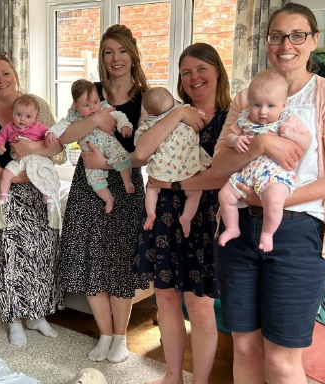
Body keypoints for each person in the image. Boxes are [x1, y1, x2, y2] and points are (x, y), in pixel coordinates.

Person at [184, 4, 325, 382]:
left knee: (281, 360)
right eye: (276, 35)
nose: (286, 44)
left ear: (313, 40)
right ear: (266, 42)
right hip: (237, 231)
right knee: (245, 347)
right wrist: (262, 143)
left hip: (299, 233)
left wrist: (273, 200)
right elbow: (218, 167)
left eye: (297, 35)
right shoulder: (248, 97)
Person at [124, 42, 227, 384]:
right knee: (166, 299)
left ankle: (199, 381)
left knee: (198, 306)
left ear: (216, 72)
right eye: (186, 72)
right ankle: (172, 375)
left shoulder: (231, 119)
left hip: (205, 217)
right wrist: (178, 115)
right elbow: (140, 152)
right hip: (164, 216)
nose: (194, 77)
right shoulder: (171, 112)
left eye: (201, 69)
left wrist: (174, 186)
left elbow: (223, 174)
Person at [52, 24, 149, 363]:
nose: (115, 58)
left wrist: (109, 166)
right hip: (86, 185)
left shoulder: (144, 98)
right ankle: (104, 335)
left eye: (121, 50)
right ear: (102, 58)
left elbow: (145, 153)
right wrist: (96, 121)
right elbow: (65, 137)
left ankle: (120, 338)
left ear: (132, 54)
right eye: (108, 52)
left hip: (125, 184)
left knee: (119, 264)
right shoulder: (91, 92)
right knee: (89, 258)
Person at [0, 51, 65, 346]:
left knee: (41, 254)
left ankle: (37, 314)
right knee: (8, 256)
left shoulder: (38, 106)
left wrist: (32, 154)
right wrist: (18, 177)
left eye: (5, 73)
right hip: (4, 195)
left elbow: (59, 149)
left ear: (16, 75)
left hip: (40, 194)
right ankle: (14, 320)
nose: (1, 80)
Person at [217, 70, 310, 251]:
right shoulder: (244, 118)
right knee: (224, 196)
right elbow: (228, 136)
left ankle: (267, 234)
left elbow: (307, 141)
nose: (262, 112)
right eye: (257, 105)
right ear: (249, 103)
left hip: (275, 175)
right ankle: (232, 227)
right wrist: (235, 140)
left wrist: (291, 134)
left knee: (274, 201)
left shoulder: (288, 120)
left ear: (283, 105)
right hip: (246, 173)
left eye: (271, 106)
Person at [46, 79, 136, 214]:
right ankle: (108, 198)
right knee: (94, 180)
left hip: (110, 145)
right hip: (91, 158)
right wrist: (51, 132)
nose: (93, 107)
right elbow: (61, 128)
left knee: (123, 158)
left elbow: (119, 115)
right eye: (86, 105)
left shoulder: (105, 108)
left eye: (95, 102)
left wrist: (124, 125)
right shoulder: (73, 117)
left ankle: (127, 181)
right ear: (76, 106)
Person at [137, 87, 210, 235]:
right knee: (195, 193)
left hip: (161, 167)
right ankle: (187, 217)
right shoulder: (187, 111)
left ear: (150, 112)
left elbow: (139, 141)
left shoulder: (150, 123)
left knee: (152, 187)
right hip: (186, 165)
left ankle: (151, 213)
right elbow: (202, 118)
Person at [0, 94, 62, 231]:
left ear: (35, 118)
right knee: (6, 173)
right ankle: (4, 195)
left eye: (28, 117)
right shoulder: (9, 127)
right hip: (18, 160)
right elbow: (0, 136)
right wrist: (0, 145)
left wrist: (50, 136)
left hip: (36, 159)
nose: (22, 119)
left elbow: (51, 135)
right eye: (18, 114)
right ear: (12, 114)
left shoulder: (39, 128)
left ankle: (47, 193)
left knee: (43, 173)